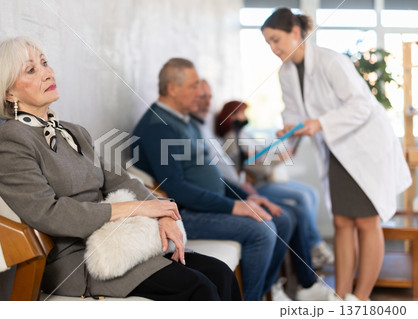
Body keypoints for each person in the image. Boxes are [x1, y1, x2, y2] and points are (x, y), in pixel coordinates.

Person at [0, 36, 241, 301]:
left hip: (121, 241)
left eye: (45, 62)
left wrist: (161, 212)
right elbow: (49, 214)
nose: (47, 73)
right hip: (82, 261)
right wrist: (136, 209)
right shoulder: (11, 139)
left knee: (220, 273)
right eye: (31, 70)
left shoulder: (74, 131)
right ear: (9, 93)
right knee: (199, 288)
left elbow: (119, 180)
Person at [132, 58, 330, 300]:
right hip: (186, 215)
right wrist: (235, 206)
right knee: (263, 230)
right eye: (194, 86)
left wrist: (250, 198)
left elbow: (212, 177)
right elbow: (177, 190)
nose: (200, 92)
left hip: (207, 206)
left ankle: (259, 293)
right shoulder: (158, 126)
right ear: (173, 89)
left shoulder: (185, 122)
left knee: (283, 218)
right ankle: (250, 304)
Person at [261, 8, 412, 301]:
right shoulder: (287, 73)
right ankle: (341, 296)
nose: (273, 48)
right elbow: (293, 115)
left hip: (365, 147)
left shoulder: (331, 61)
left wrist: (319, 124)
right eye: (268, 43)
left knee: (367, 222)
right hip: (335, 150)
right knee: (342, 222)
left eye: (276, 40)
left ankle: (361, 299)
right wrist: (287, 137)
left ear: (295, 32)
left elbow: (361, 106)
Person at [191, 80, 330, 301]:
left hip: (242, 188)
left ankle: (276, 285)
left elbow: (237, 168)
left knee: (300, 203)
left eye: (209, 97)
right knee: (293, 209)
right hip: (251, 185)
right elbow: (252, 166)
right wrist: (247, 190)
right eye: (240, 114)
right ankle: (285, 280)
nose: (244, 118)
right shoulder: (224, 138)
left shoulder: (220, 134)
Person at [214, 99, 334, 270]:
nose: (244, 116)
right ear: (230, 116)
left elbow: (261, 157)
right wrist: (279, 159)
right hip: (259, 184)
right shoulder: (231, 139)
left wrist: (277, 155)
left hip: (270, 179)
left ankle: (314, 245)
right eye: (241, 113)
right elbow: (256, 168)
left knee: (312, 193)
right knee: (302, 197)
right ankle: (315, 246)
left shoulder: (244, 135)